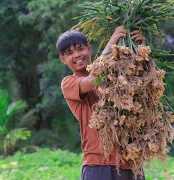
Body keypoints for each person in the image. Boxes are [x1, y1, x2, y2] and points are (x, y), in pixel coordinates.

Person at [56, 26, 146, 180]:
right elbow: (93, 79)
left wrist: (139, 48)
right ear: (63, 59)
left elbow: (140, 82)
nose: (77, 55)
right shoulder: (69, 83)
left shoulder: (115, 76)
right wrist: (114, 40)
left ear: (89, 49)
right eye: (70, 53)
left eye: (80, 49)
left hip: (131, 161)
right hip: (98, 165)